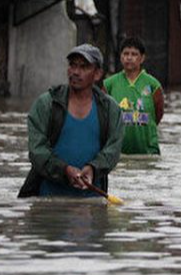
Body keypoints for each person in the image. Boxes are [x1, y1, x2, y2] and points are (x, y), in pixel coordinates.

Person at [18, 44, 124, 198]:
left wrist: (93, 168)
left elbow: (113, 150)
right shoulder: (47, 104)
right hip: (48, 201)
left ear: (97, 74)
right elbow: (37, 150)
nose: (75, 72)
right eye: (72, 65)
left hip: (92, 204)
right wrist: (65, 170)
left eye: (83, 67)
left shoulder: (109, 109)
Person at [103, 36, 164, 155]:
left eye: (134, 54)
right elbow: (103, 115)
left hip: (147, 152)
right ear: (120, 57)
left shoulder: (153, 85)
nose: (129, 58)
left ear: (142, 58)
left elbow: (158, 114)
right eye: (126, 53)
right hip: (118, 153)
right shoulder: (109, 84)